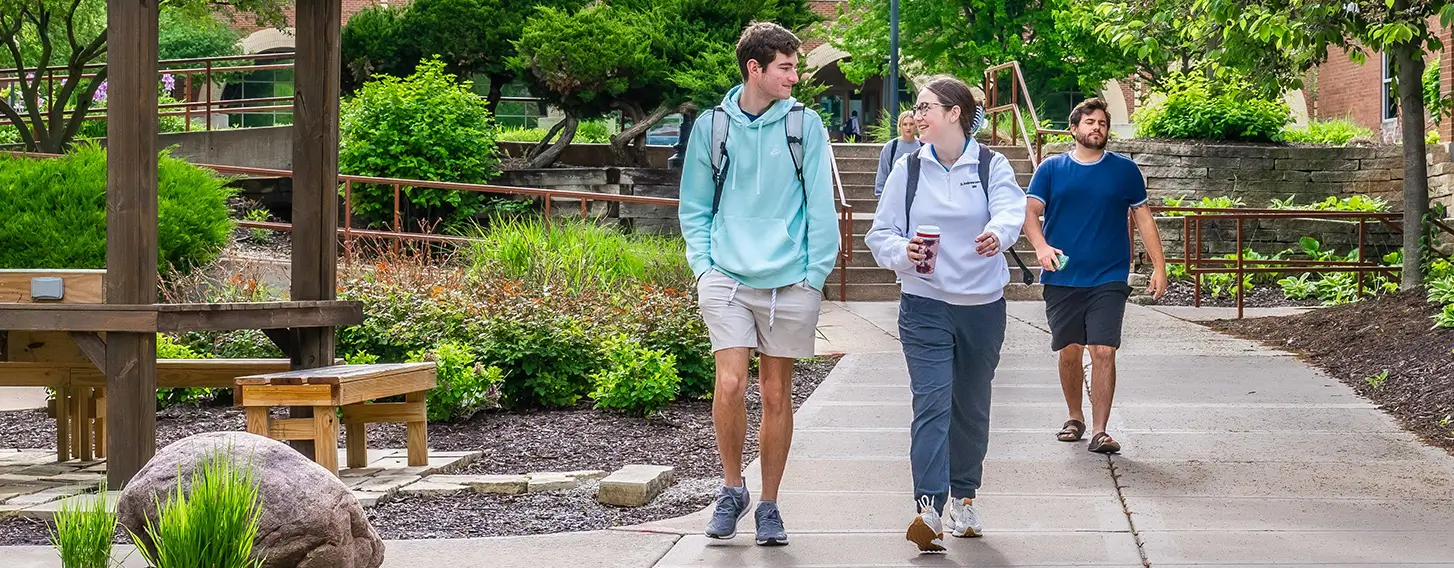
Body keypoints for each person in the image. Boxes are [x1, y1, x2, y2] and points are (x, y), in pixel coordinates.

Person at [677, 21, 839, 547]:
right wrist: (704, 268)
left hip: (791, 280)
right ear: (756, 68)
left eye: (795, 67)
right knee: (729, 383)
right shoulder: (712, 127)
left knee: (774, 393)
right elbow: (696, 208)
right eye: (786, 68)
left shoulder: (805, 126)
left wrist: (814, 277)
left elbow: (820, 205)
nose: (795, 76)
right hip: (726, 275)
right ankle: (731, 489)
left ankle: (769, 503)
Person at [865, 75, 1027, 553]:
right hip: (924, 305)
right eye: (916, 107)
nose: (917, 114)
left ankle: (965, 499)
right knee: (932, 404)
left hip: (982, 308)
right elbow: (881, 233)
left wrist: (998, 235)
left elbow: (1009, 210)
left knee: (971, 407)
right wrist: (904, 252)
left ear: (954, 112)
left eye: (926, 106)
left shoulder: (992, 165)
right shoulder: (908, 170)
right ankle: (928, 510)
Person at [1022, 98, 1168, 455]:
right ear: (1074, 129)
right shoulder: (1051, 169)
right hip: (1063, 276)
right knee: (1070, 351)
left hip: (1109, 275)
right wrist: (1041, 247)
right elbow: (1030, 213)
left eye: (1102, 123)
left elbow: (1144, 218)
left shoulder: (1124, 171)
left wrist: (1159, 266)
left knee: (1103, 350)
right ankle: (1075, 417)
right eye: (1089, 122)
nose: (1096, 128)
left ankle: (1101, 430)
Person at [874, 110, 921, 198]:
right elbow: (882, 174)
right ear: (899, 126)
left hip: (918, 195)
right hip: (895, 194)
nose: (908, 127)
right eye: (905, 124)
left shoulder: (923, 146)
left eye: (911, 124)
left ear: (916, 126)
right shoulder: (891, 147)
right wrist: (881, 198)